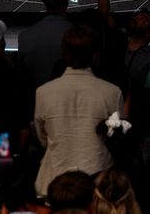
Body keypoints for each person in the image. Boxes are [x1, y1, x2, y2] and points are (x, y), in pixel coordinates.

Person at [34, 26, 124, 197]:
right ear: (96, 54)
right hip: (97, 180)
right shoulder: (112, 92)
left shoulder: (43, 92)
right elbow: (116, 137)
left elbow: (43, 137)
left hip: (54, 181)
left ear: (65, 53)